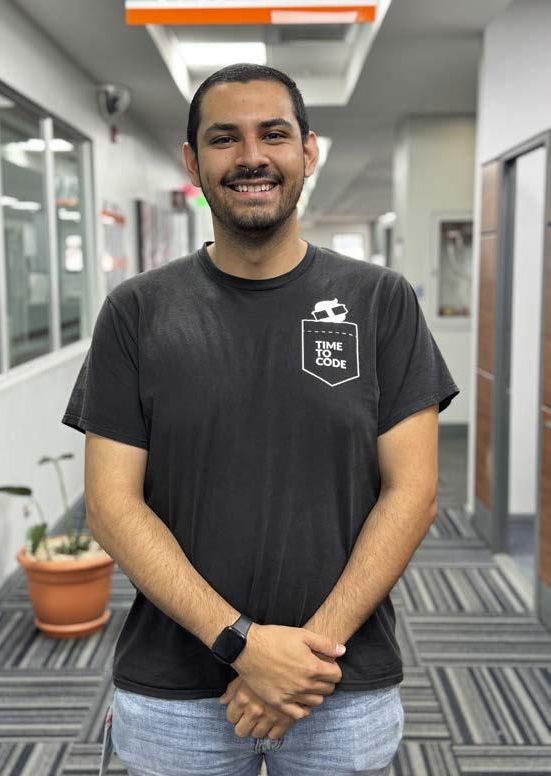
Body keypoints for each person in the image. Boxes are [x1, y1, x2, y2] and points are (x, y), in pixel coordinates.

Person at [62, 63, 459, 776]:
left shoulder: (380, 302)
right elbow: (111, 505)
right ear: (193, 163)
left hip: (338, 683)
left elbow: (414, 493)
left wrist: (303, 659)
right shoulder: (137, 311)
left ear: (308, 151)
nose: (251, 157)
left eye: (273, 135)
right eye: (225, 138)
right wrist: (243, 645)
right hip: (177, 695)